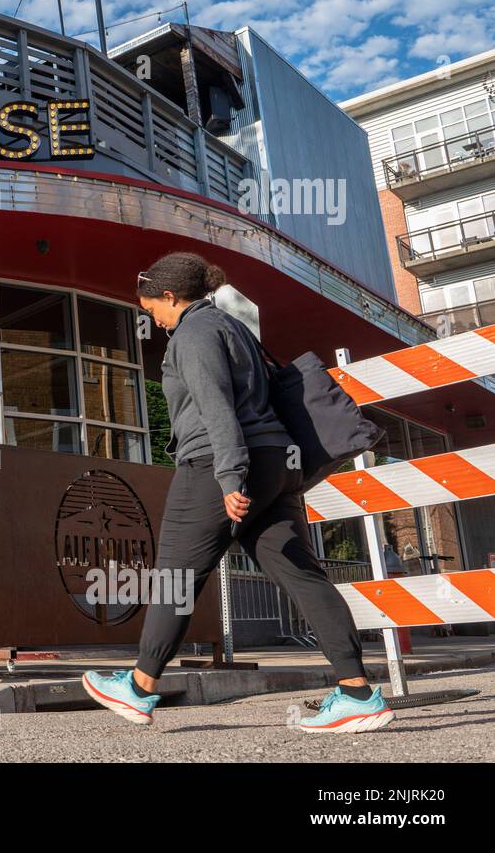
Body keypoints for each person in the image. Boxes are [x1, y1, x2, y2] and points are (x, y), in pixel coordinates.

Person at [81, 252, 394, 733]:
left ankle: (139, 687)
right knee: (303, 577)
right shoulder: (233, 326)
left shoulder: (194, 333)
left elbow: (215, 408)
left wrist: (230, 478)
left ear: (170, 296)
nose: (153, 319)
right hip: (276, 462)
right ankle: (357, 693)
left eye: (152, 310)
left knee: (175, 578)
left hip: (217, 464)